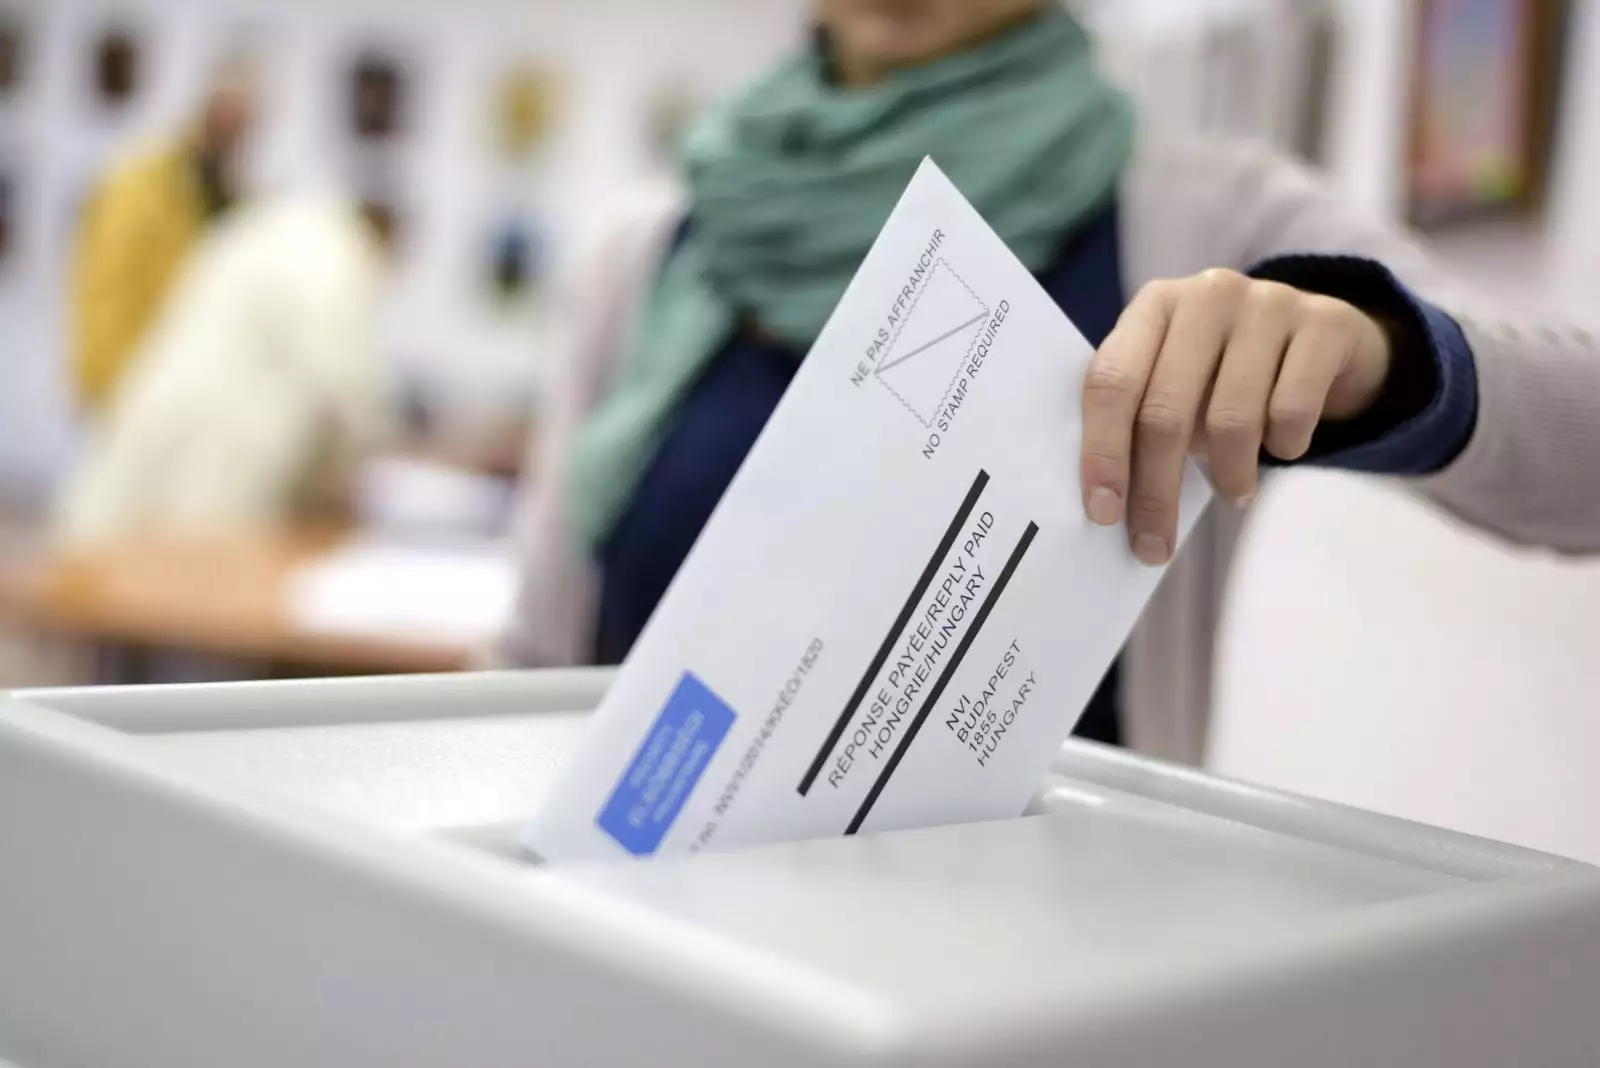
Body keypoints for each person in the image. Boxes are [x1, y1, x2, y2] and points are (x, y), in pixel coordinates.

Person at [490, 0, 1600, 764]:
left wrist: (1382, 355)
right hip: (643, 955)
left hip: (1032, 996)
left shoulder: (1201, 218)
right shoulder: (651, 252)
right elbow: (529, 663)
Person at [52, 194, 396, 549]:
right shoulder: (334, 255)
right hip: (222, 449)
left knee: (116, 549)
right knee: (187, 570)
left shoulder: (267, 229)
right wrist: (369, 451)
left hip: (166, 407)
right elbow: (344, 386)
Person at [70, 58, 256, 412]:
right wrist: (103, 380)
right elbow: (103, 282)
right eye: (228, 116)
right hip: (129, 378)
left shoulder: (231, 199)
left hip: (188, 383)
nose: (234, 131)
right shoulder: (141, 183)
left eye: (243, 123)